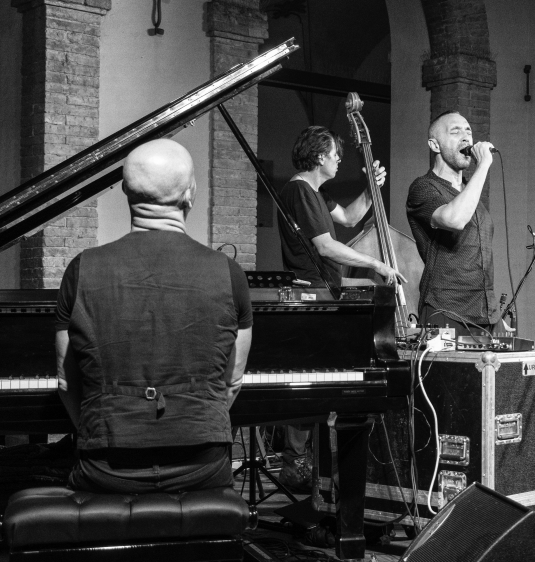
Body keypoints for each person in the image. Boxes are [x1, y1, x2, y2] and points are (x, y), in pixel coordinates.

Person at [55, 139, 253, 494]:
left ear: (126, 191)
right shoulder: (229, 273)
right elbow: (231, 383)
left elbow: (67, 384)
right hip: (202, 466)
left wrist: (100, 433)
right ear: (190, 194)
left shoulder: (81, 269)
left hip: (107, 468)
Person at [277, 125, 406, 493]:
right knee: (308, 381)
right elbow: (325, 246)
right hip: (311, 298)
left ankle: (317, 465)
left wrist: (371, 189)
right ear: (320, 156)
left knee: (322, 381)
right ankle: (296, 464)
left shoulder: (316, 192)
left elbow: (349, 218)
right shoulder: (300, 190)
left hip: (325, 295)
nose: (338, 160)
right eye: (335, 154)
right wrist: (377, 264)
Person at [406, 110, 497, 335]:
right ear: (435, 145)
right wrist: (483, 165)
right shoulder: (423, 187)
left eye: (468, 132)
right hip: (445, 309)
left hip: (484, 313)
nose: (466, 138)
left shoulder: (470, 193)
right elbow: (454, 219)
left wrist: (495, 317)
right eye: (455, 132)